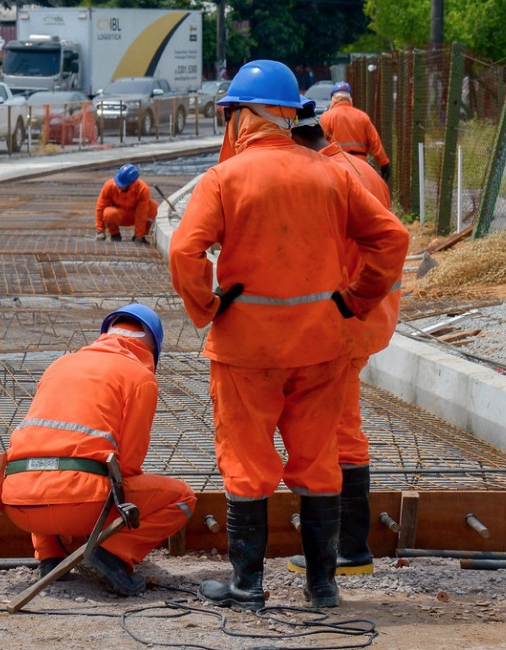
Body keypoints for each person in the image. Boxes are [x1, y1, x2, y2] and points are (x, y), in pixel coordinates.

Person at [168, 60, 408, 610]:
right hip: (322, 346)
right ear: (288, 113)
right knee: (320, 461)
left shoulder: (224, 179)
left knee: (247, 463)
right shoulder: (332, 172)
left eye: (228, 115)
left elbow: (185, 250)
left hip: (246, 350)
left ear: (243, 117)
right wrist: (357, 300)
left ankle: (247, 586)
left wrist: (205, 308)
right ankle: (322, 586)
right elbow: (392, 239)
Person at [0, 304, 196, 596]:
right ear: (152, 348)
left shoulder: (60, 364)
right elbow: (128, 463)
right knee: (182, 497)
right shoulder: (139, 377)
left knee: (45, 454)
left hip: (17, 502)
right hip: (77, 503)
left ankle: (50, 558)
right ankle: (112, 556)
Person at [286, 96, 401, 577]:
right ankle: (350, 545)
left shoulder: (324, 180)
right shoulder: (362, 171)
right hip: (368, 317)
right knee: (342, 424)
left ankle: (350, 548)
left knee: (339, 429)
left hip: (345, 322)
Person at [319, 81, 391, 182]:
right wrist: (384, 163)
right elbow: (375, 142)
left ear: (333, 99)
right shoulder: (363, 117)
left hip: (336, 165)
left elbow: (318, 143)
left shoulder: (326, 117)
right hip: (361, 167)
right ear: (350, 99)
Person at [94, 164, 158, 244]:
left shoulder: (143, 189)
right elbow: (100, 207)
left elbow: (142, 213)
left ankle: (141, 236)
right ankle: (115, 234)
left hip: (134, 215)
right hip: (118, 215)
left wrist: (139, 235)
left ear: (131, 183)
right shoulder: (109, 186)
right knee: (109, 213)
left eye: (121, 185)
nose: (117, 185)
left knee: (152, 206)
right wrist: (100, 230)